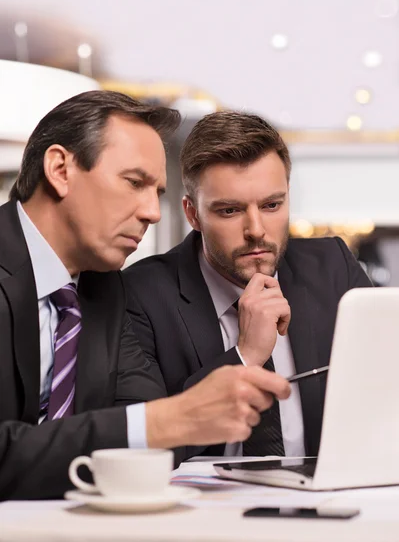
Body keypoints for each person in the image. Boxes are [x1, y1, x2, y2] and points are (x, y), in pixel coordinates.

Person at [0, 92, 290, 500]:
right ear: (60, 169)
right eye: (135, 183)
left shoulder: (105, 290)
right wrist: (164, 422)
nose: (152, 212)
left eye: (157, 193)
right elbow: (155, 424)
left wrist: (170, 419)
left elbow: (155, 420)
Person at [123, 110, 371, 459]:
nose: (256, 229)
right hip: (199, 507)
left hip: (323, 500)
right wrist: (245, 356)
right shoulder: (140, 293)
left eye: (272, 205)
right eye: (230, 211)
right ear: (193, 214)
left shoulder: (332, 265)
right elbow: (141, 445)